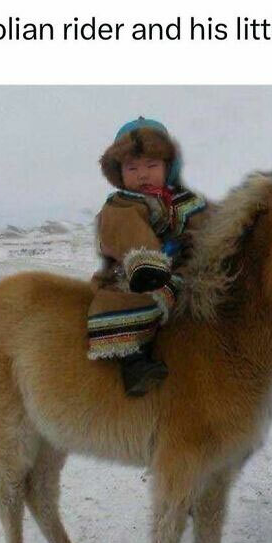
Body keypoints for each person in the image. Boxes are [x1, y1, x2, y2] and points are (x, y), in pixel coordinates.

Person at [88, 117, 207, 396]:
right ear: (119, 173)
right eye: (132, 168)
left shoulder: (183, 203)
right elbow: (114, 235)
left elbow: (209, 225)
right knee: (131, 301)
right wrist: (148, 264)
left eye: (151, 166)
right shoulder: (121, 204)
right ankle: (133, 364)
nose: (142, 174)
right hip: (130, 279)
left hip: (178, 276)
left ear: (168, 167)